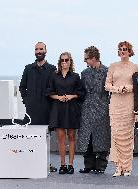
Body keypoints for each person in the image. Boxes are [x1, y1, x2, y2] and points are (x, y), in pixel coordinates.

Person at [19, 41, 57, 172]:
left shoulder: (52, 69)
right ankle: (31, 162)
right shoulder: (28, 68)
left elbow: (54, 88)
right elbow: (22, 87)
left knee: (45, 138)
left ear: (46, 51)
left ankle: (46, 164)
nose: (39, 51)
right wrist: (26, 101)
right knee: (30, 138)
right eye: (36, 49)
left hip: (46, 109)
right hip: (31, 110)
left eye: (41, 49)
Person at [47, 52, 85, 174]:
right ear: (60, 62)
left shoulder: (75, 76)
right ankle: (62, 164)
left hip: (72, 108)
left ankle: (71, 164)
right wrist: (58, 97)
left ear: (70, 61)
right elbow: (49, 92)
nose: (64, 62)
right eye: (62, 60)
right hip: (58, 109)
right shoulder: (54, 76)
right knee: (61, 138)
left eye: (66, 60)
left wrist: (71, 96)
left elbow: (81, 93)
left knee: (72, 137)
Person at [105, 41, 138, 177]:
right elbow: (107, 85)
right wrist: (117, 89)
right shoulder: (112, 66)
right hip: (115, 103)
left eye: (125, 49)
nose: (123, 51)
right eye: (120, 49)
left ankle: (128, 167)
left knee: (127, 136)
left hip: (129, 103)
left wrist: (128, 88)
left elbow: (137, 85)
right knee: (116, 135)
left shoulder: (135, 67)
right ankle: (118, 167)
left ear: (130, 51)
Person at [78, 46, 111, 174]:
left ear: (94, 58)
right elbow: (82, 91)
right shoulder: (84, 73)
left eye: (86, 58)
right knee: (88, 137)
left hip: (102, 108)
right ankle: (88, 165)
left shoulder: (107, 71)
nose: (85, 61)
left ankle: (101, 166)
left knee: (102, 137)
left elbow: (110, 91)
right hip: (87, 108)